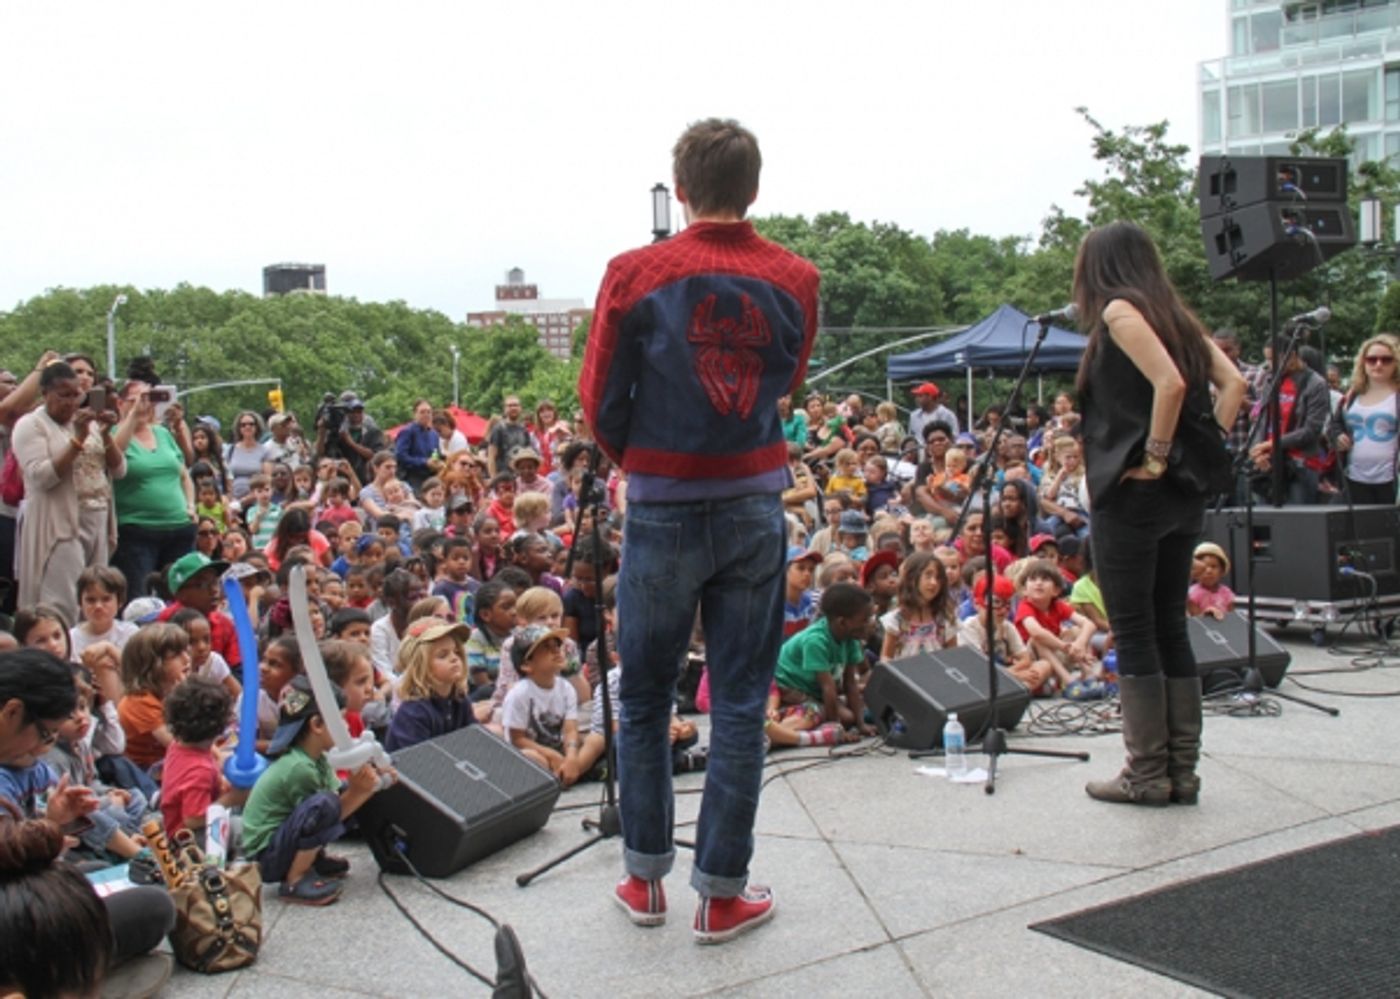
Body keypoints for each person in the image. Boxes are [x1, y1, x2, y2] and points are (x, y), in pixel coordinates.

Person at [581, 118, 819, 941]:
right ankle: (721, 894)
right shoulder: (796, 277)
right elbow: (786, 378)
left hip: (662, 505)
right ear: (754, 189)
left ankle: (643, 880)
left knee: (645, 695)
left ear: (679, 189)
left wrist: (646, 464)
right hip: (754, 501)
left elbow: (599, 397)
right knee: (742, 702)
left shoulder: (634, 273)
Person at [1075, 221, 1245, 807]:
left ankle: (1146, 773)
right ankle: (1181, 771)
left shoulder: (1119, 311)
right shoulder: (1175, 316)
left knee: (1136, 630)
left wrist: (1155, 457)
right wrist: (1195, 454)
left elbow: (1168, 385)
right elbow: (1233, 384)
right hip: (1181, 497)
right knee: (1171, 625)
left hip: (1136, 495)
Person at [0, 648, 176, 990]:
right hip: (12, 923)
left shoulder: (26, 763)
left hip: (22, 899)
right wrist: (50, 831)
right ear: (12, 712)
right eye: (46, 734)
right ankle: (61, 977)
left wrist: (56, 821)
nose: (44, 746)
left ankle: (72, 969)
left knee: (96, 874)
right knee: (153, 907)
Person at [239, 675, 390, 905]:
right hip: (267, 857)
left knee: (335, 796)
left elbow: (338, 797)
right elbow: (326, 814)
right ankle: (295, 879)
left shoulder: (317, 758)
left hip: (281, 841)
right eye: (340, 720)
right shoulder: (299, 768)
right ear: (317, 725)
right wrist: (361, 791)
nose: (346, 727)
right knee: (325, 804)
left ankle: (313, 860)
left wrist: (370, 780)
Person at [11, 361, 126, 622]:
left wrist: (106, 434)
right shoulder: (31, 425)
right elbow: (42, 477)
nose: (71, 402)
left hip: (97, 518)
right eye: (64, 395)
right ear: (45, 394)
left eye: (76, 395)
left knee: (96, 599)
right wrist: (78, 439)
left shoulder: (86, 422)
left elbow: (119, 471)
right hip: (60, 524)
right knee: (63, 603)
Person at [109, 374, 197, 599]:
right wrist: (132, 416)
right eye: (137, 399)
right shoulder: (111, 433)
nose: (144, 405)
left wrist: (190, 506)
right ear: (120, 403)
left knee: (182, 595)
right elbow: (114, 457)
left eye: (149, 399)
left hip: (178, 526)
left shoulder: (162, 433)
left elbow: (183, 473)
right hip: (137, 530)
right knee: (140, 595)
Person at [1327, 333, 1400, 505]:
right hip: (1353, 477)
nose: (1378, 364)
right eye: (1372, 359)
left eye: (1386, 360)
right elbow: (1334, 425)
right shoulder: (1353, 395)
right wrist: (1338, 436)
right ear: (1363, 363)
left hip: (1391, 481)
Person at [384, 619, 476, 751]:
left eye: (456, 652)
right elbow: (421, 759)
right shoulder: (414, 712)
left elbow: (474, 739)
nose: (454, 658)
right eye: (443, 655)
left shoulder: (459, 699)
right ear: (421, 667)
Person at [1188, 541, 1236, 620]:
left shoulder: (1227, 593)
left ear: (1222, 570)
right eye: (1204, 567)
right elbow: (1196, 620)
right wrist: (1206, 614)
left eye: (1213, 566)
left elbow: (1232, 616)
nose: (1209, 571)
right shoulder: (1192, 594)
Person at [488, 395, 533, 477]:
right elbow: (491, 457)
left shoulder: (524, 430)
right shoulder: (498, 429)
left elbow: (528, 454)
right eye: (510, 405)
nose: (513, 408)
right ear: (504, 409)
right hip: (503, 477)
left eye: (515, 405)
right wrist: (494, 479)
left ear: (520, 408)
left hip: (521, 477)